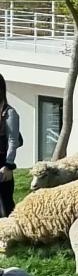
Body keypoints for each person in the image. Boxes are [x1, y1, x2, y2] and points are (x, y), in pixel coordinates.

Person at [0, 76, 19, 217]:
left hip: (2, 163)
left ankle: (10, 233)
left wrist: (8, 165)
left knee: (6, 201)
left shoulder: (9, 113)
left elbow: (13, 141)